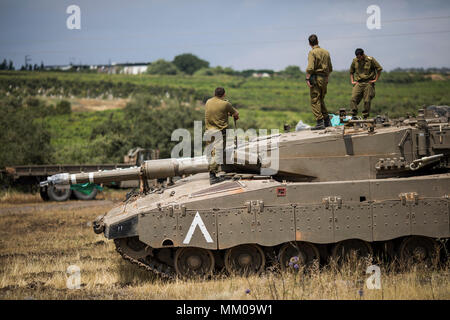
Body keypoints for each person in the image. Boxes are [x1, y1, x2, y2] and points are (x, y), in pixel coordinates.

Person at [205, 87, 239, 184]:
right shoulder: (226, 104)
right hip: (219, 133)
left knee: (211, 153)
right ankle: (212, 176)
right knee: (217, 154)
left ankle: (212, 173)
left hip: (208, 132)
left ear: (214, 93)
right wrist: (232, 114)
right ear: (224, 94)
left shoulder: (208, 102)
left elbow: (217, 112)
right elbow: (235, 113)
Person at [305, 34, 333, 130]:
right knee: (320, 99)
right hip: (324, 79)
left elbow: (310, 68)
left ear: (309, 43)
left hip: (316, 79)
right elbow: (330, 68)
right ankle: (326, 121)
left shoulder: (312, 53)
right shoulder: (326, 52)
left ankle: (320, 122)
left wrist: (308, 78)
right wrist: (326, 78)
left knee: (315, 100)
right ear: (318, 41)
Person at [349, 48, 383, 119]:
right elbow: (351, 71)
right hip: (359, 83)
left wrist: (375, 79)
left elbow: (379, 69)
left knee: (367, 100)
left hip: (368, 83)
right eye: (357, 57)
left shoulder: (370, 60)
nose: (359, 58)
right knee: (353, 98)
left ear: (363, 54)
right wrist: (352, 81)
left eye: (360, 56)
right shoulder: (355, 61)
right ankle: (353, 115)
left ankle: (365, 117)